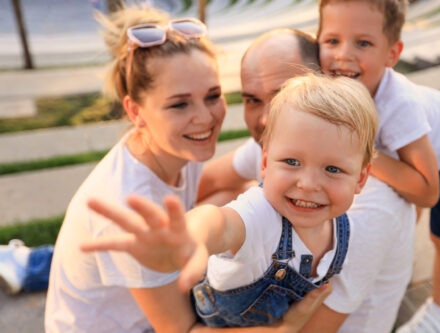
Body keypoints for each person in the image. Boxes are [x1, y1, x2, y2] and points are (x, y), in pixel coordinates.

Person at [44, 6, 329, 333]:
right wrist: (286, 328)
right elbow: (181, 330)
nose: (205, 118)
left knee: (245, 194)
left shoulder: (173, 151)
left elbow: (227, 187)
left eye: (212, 96)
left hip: (154, 296)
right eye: (179, 104)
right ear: (135, 111)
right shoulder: (128, 202)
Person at [81, 73, 378, 331]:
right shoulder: (260, 215)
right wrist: (191, 237)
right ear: (264, 163)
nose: (309, 184)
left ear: (361, 179)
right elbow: (220, 223)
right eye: (291, 161)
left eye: (333, 169)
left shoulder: (345, 232)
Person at [199, 28, 416, 332]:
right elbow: (207, 188)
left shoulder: (364, 211)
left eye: (279, 95)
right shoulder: (287, 135)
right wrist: (181, 235)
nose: (263, 119)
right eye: (251, 100)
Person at [316, 1, 440, 332]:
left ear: (392, 53)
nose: (343, 55)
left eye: (363, 43)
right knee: (402, 200)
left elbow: (427, 191)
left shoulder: (398, 107)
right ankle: (399, 263)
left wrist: (362, 148)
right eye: (332, 41)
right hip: (427, 142)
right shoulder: (338, 86)